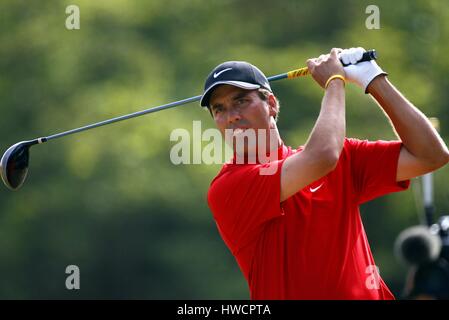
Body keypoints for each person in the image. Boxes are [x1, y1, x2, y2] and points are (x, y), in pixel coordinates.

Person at [199, 47, 449, 299]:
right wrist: (334, 82)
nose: (231, 116)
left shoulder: (345, 156)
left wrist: (373, 78)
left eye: (241, 101)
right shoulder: (228, 186)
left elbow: (431, 155)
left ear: (271, 104)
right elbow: (323, 157)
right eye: (219, 109)